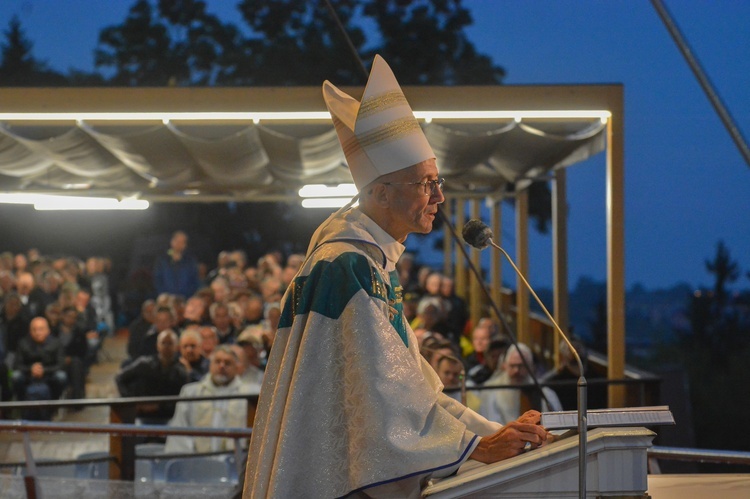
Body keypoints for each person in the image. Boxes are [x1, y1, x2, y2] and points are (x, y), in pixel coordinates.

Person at [244, 55, 548, 498]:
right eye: (426, 183)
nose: (439, 196)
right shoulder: (346, 266)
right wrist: (478, 446)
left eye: (437, 181)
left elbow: (416, 397)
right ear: (381, 192)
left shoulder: (370, 264)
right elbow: (385, 408)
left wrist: (495, 435)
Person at [165, 345, 253, 453]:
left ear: (237, 368)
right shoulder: (191, 392)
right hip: (199, 461)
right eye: (217, 361)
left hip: (236, 461)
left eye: (227, 363)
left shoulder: (249, 394)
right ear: (210, 365)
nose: (222, 366)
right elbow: (180, 429)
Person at [115, 329, 189, 424]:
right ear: (157, 345)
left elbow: (183, 397)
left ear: (176, 347)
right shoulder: (144, 365)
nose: (166, 347)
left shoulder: (180, 371)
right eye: (163, 343)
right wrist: (132, 402)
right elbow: (120, 378)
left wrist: (159, 407)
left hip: (169, 417)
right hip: (142, 416)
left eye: (170, 343)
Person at [477, 343, 563, 425]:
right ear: (505, 366)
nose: (516, 371)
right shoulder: (491, 392)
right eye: (512, 366)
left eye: (521, 366)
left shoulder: (545, 394)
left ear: (531, 367)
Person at [12, 317, 68, 419]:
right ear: (30, 331)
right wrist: (31, 369)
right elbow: (16, 364)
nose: (38, 332)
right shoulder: (23, 343)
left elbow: (61, 364)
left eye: (41, 329)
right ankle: (22, 406)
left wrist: (44, 370)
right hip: (28, 376)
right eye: (34, 329)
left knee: (61, 376)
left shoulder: (56, 343)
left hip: (49, 375)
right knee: (15, 376)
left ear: (48, 330)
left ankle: (53, 405)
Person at [152, 230, 201, 298]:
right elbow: (158, 280)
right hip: (166, 299)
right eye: (177, 241)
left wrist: (188, 296)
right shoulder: (162, 260)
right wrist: (163, 295)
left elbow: (194, 280)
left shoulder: (190, 261)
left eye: (182, 242)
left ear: (185, 245)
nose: (179, 244)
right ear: (172, 241)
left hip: (185, 299)